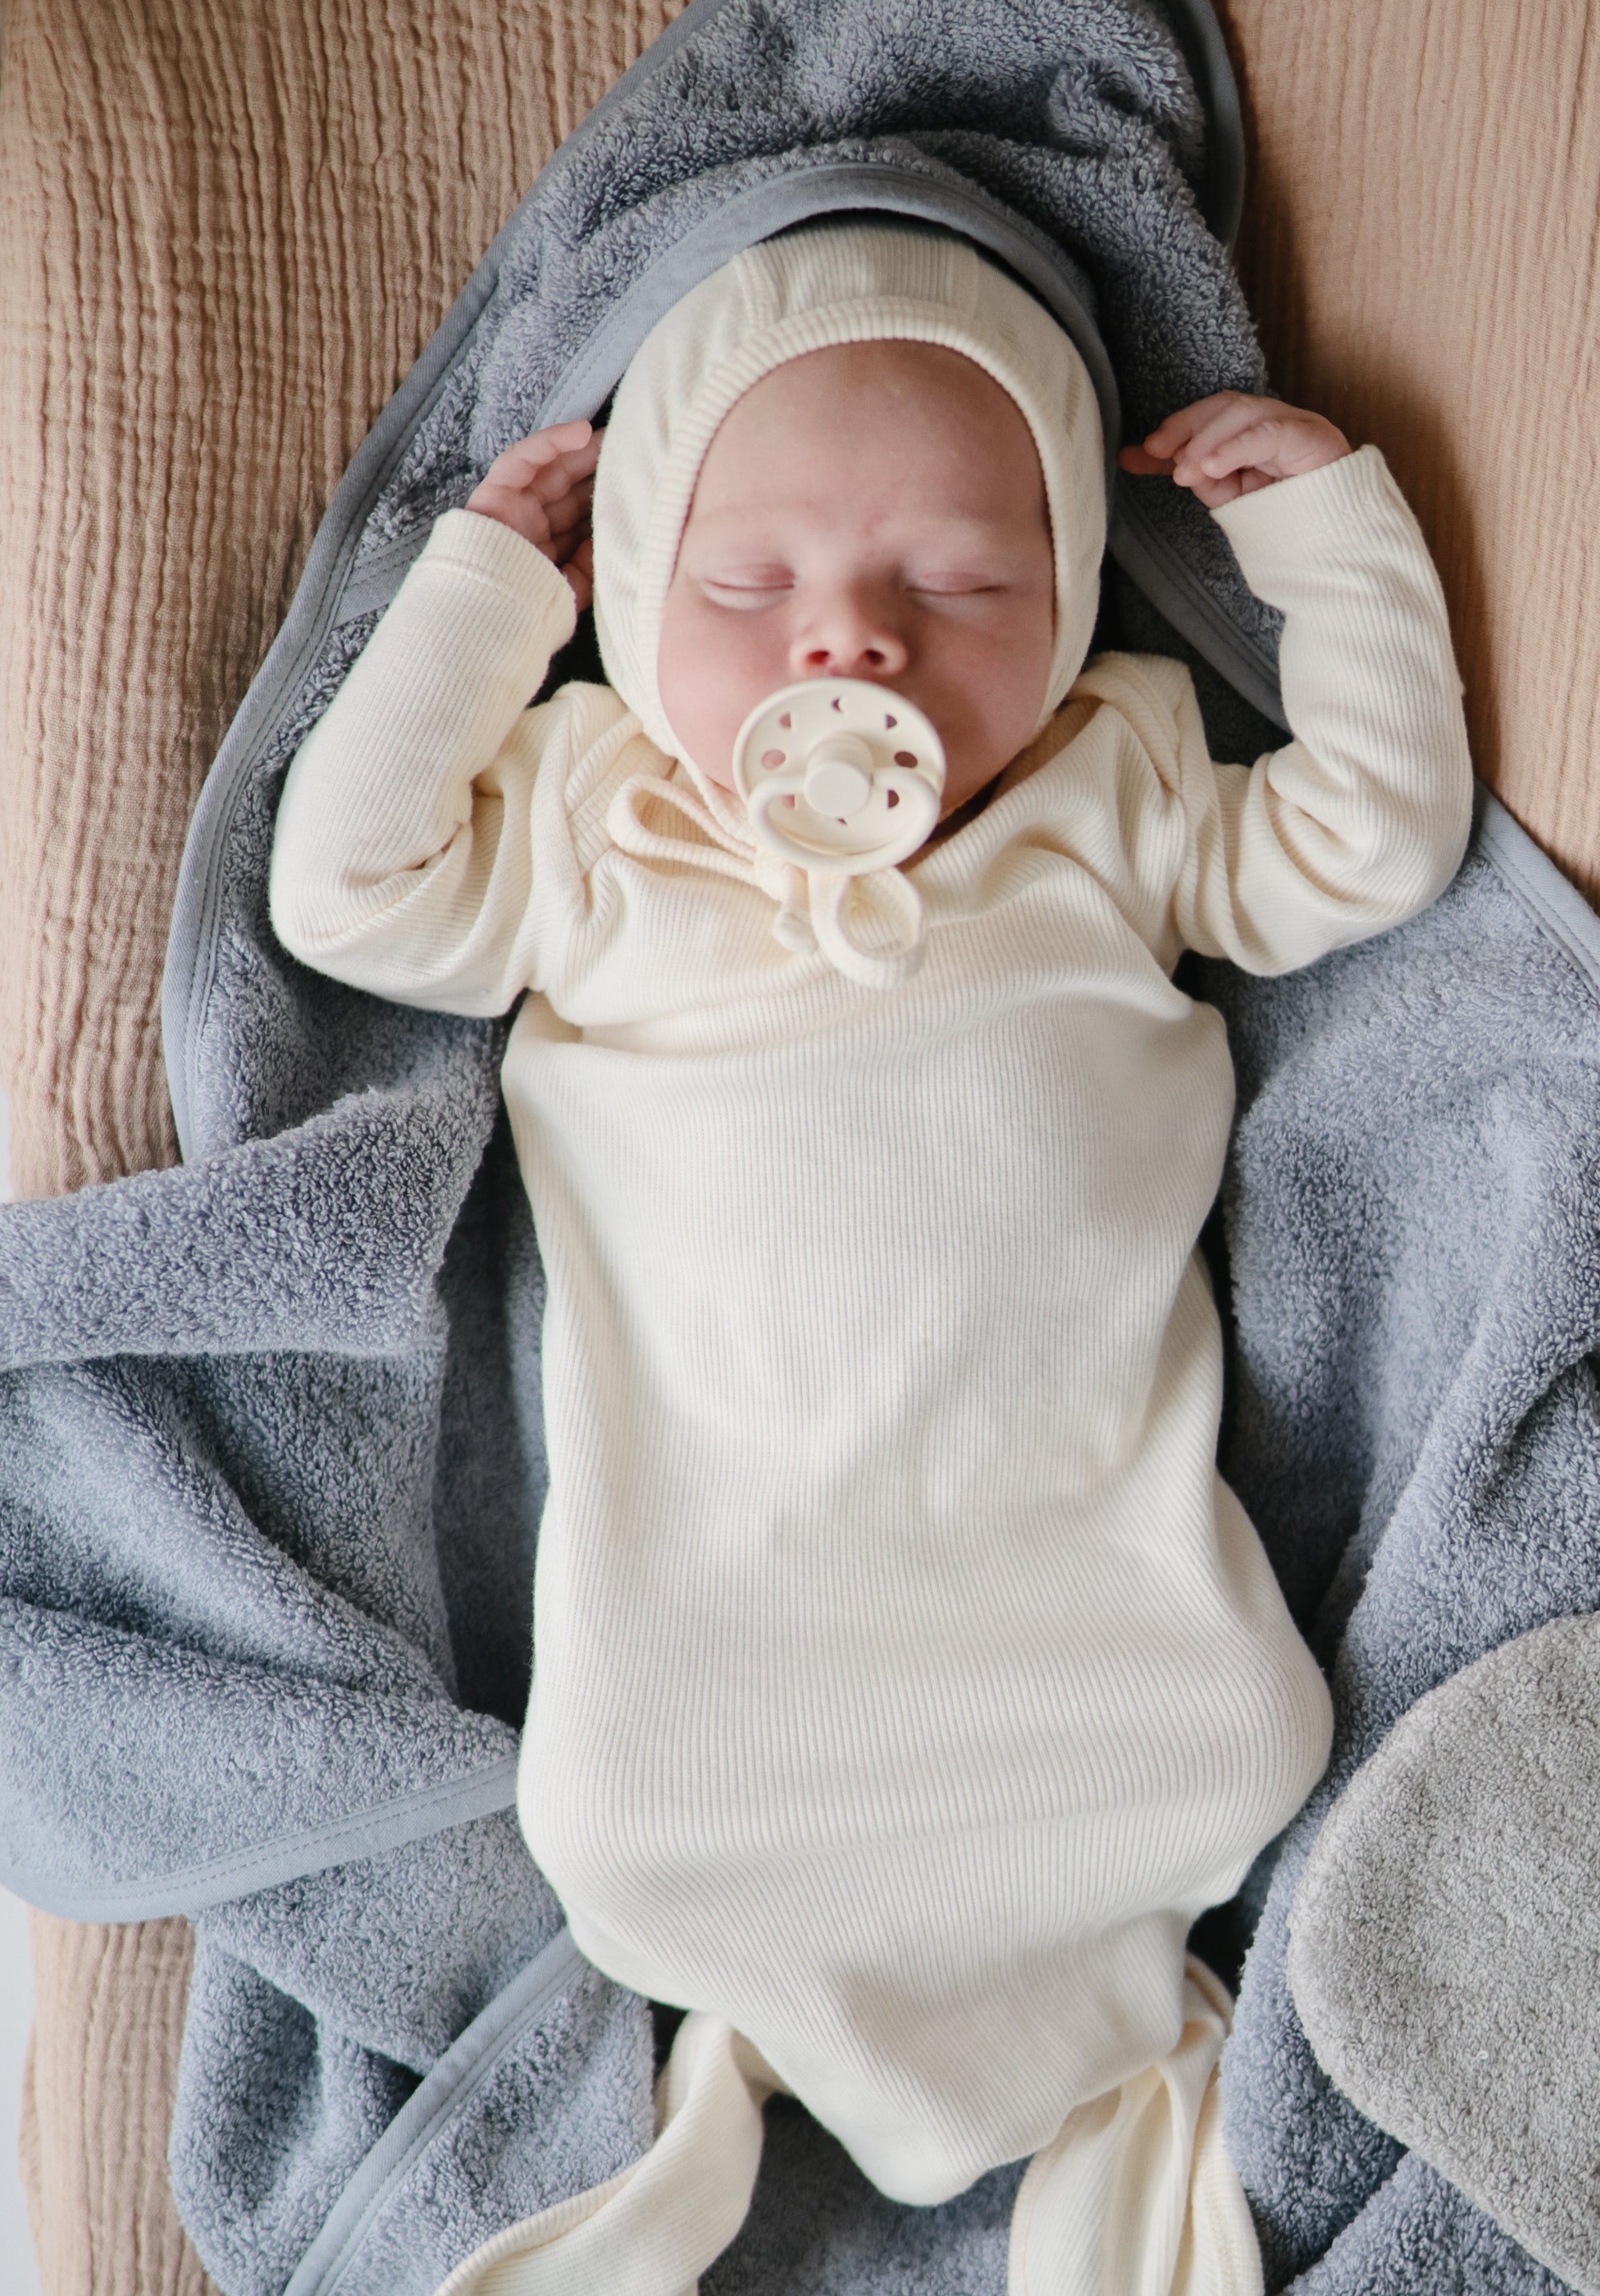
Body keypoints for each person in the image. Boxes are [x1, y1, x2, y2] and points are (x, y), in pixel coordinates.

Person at [267, 218, 1472, 2293]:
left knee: (1232, 1747)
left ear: (1071, 600)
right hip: (724, 1634)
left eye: (961, 584)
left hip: (1081, 1614)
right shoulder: (598, 819)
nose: (851, 645)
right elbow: (347, 892)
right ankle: (745, 2046)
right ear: (631, 602)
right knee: (624, 1821)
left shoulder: (1118, 789)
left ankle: (1109, 2053)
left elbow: (1379, 834)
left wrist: (1332, 548)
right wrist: (482, 600)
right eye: (748, 587)